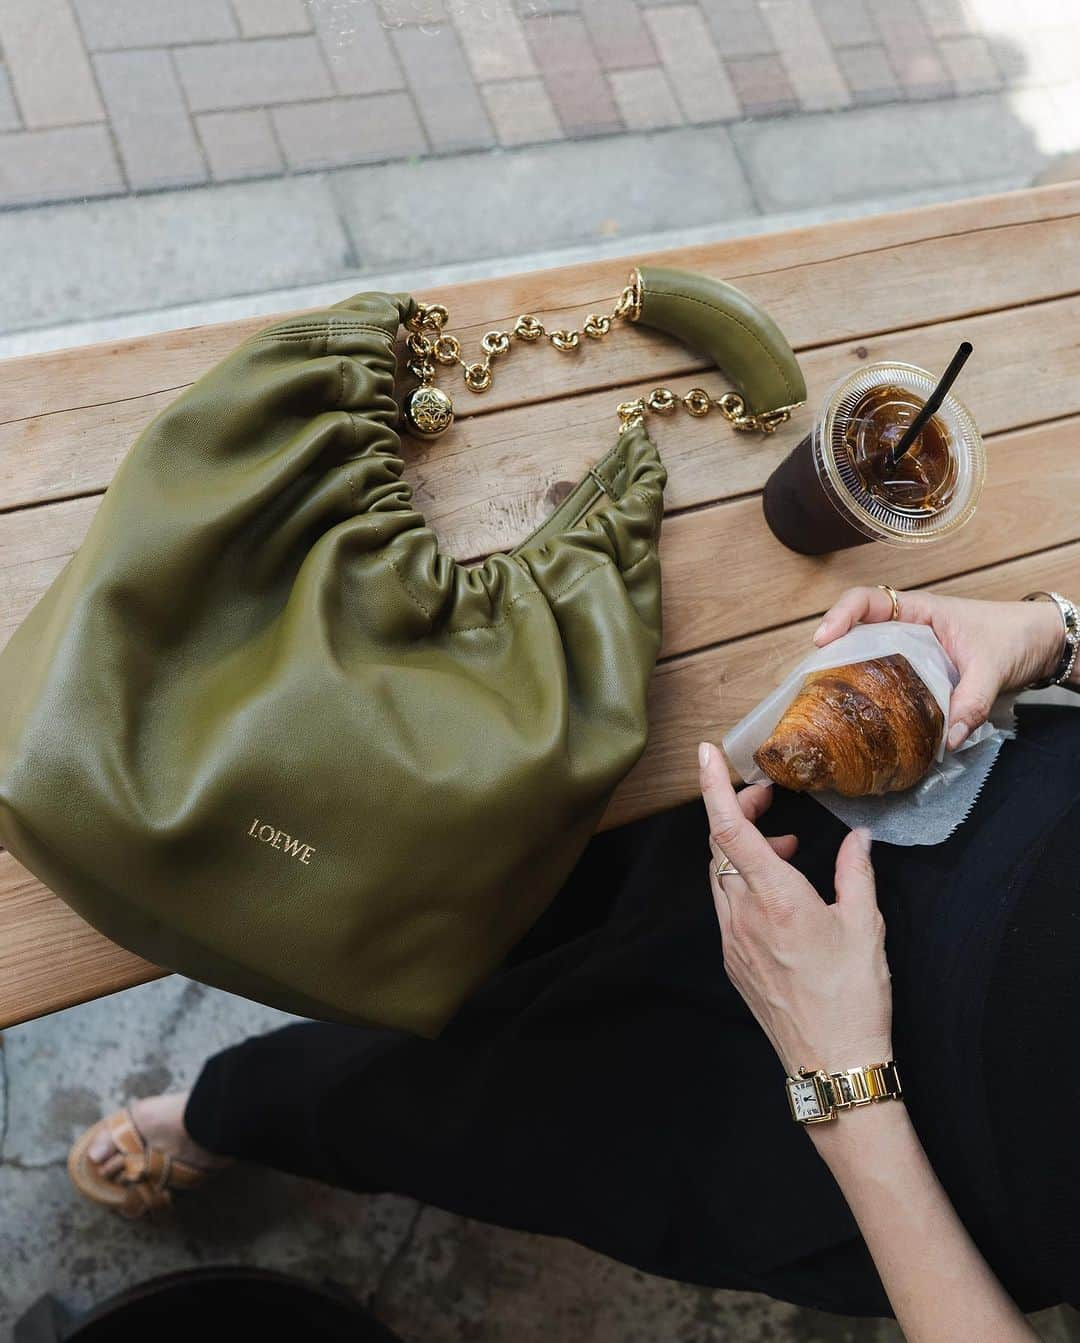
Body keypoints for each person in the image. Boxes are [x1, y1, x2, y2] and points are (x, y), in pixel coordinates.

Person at [69, 586, 1080, 1339]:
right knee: (541, 888)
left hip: (888, 1117)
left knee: (491, 1109)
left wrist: (840, 1075)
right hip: (931, 780)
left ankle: (234, 1105)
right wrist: (1054, 634)